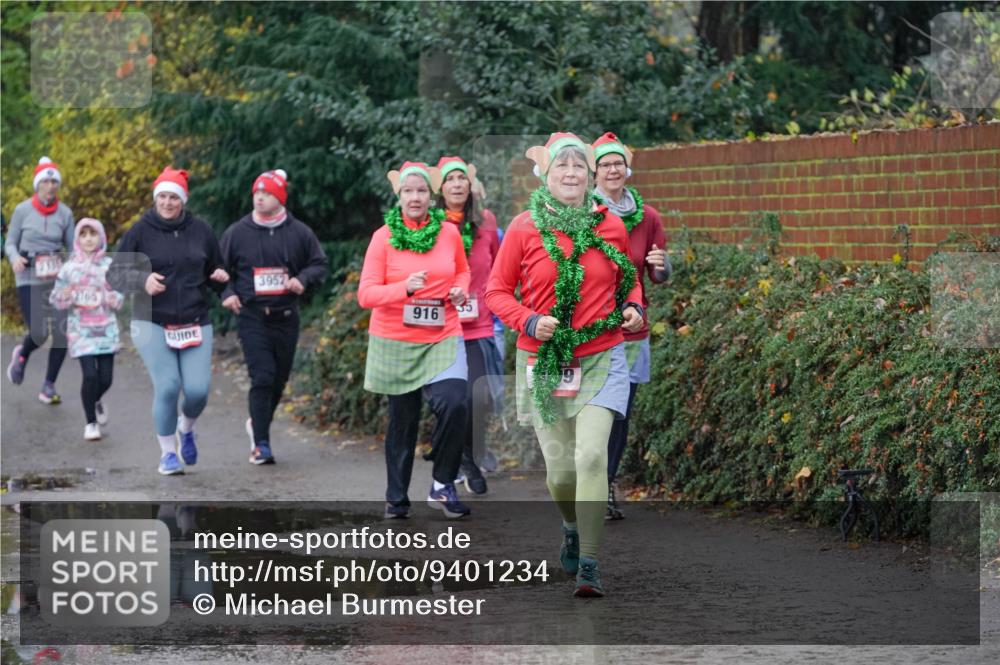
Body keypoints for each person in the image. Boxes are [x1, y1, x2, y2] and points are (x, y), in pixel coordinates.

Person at [485, 133, 644, 597]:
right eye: (562, 166)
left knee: (591, 456)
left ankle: (589, 563)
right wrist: (529, 321)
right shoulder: (523, 227)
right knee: (561, 473)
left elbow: (628, 281)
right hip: (545, 358)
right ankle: (571, 528)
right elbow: (496, 292)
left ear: (590, 175)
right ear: (546, 175)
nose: (571, 173)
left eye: (578, 166)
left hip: (602, 354)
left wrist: (634, 307)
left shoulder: (609, 224)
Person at [358, 161, 471, 520]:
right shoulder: (383, 237)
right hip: (396, 339)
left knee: (455, 403)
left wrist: (459, 290)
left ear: (431, 195)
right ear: (399, 196)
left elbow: (463, 271)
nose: (415, 197)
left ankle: (442, 483)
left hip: (442, 333)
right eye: (408, 191)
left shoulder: (448, 233)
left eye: (421, 190)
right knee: (402, 421)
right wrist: (403, 288)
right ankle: (396, 498)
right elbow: (366, 294)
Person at [108, 167, 229, 475]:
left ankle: (186, 428)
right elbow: (115, 274)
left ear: (183, 200)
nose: (167, 202)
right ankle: (167, 454)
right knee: (168, 386)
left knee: (198, 391)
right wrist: (142, 280)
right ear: (155, 198)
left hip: (194, 320)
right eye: (162, 196)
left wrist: (223, 283)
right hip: (151, 320)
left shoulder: (201, 230)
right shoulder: (140, 231)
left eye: (173, 197)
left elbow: (215, 271)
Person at [220, 169, 328, 465]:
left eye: (267, 193)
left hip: (286, 316)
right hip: (252, 315)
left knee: (279, 380)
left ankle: (257, 422)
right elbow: (218, 270)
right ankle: (261, 444)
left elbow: (319, 264)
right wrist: (227, 293)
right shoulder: (237, 233)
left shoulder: (300, 232)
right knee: (263, 376)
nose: (259, 198)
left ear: (280, 198)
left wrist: (302, 279)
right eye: (257, 193)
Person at [591, 132, 672, 520]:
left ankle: (605, 485)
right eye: (605, 164)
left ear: (628, 169)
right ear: (594, 172)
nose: (612, 170)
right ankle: (583, 481)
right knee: (591, 410)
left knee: (620, 412)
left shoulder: (648, 216)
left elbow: (658, 274)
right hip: (589, 330)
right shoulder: (583, 212)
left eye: (618, 163)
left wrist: (663, 265)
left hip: (631, 329)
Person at [434, 156, 501, 494]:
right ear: (440, 189)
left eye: (462, 178)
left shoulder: (486, 221)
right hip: (442, 326)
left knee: (480, 396)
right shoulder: (430, 226)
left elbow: (500, 266)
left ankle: (470, 452)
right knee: (455, 399)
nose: (457, 184)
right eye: (450, 179)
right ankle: (466, 461)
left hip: (480, 324)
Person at [4, 157, 74, 404]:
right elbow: (10, 242)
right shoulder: (22, 210)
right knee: (39, 332)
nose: (50, 186)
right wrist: (15, 258)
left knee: (62, 332)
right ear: (37, 185)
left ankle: (49, 385)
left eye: (54, 182)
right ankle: (22, 355)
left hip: (56, 279)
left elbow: (73, 249)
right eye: (46, 181)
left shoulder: (65, 213)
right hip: (28, 276)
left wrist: (73, 274)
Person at [49, 219, 124, 440]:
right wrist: (63, 296)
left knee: (106, 379)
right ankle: (90, 423)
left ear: (101, 237)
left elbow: (120, 296)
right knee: (90, 376)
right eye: (84, 234)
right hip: (80, 330)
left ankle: (95, 399)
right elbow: (56, 298)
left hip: (106, 329)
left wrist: (110, 297)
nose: (89, 239)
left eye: (93, 234)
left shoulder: (110, 266)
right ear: (77, 240)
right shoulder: (69, 268)